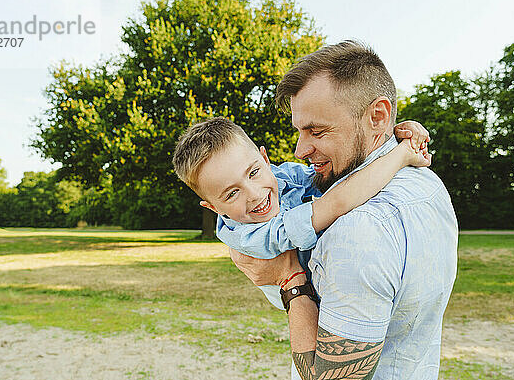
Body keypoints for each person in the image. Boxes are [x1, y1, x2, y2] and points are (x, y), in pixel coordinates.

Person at [229, 40, 458, 380]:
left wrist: (289, 280)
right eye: (299, 131)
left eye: (317, 131)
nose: (300, 150)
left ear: (377, 116)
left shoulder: (358, 230)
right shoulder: (426, 182)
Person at [172, 117, 431, 309]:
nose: (253, 193)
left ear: (265, 159)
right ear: (214, 208)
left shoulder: (281, 175)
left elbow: (342, 177)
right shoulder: (248, 235)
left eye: (253, 172)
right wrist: (400, 154)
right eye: (232, 194)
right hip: (318, 302)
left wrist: (389, 136)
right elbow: (336, 202)